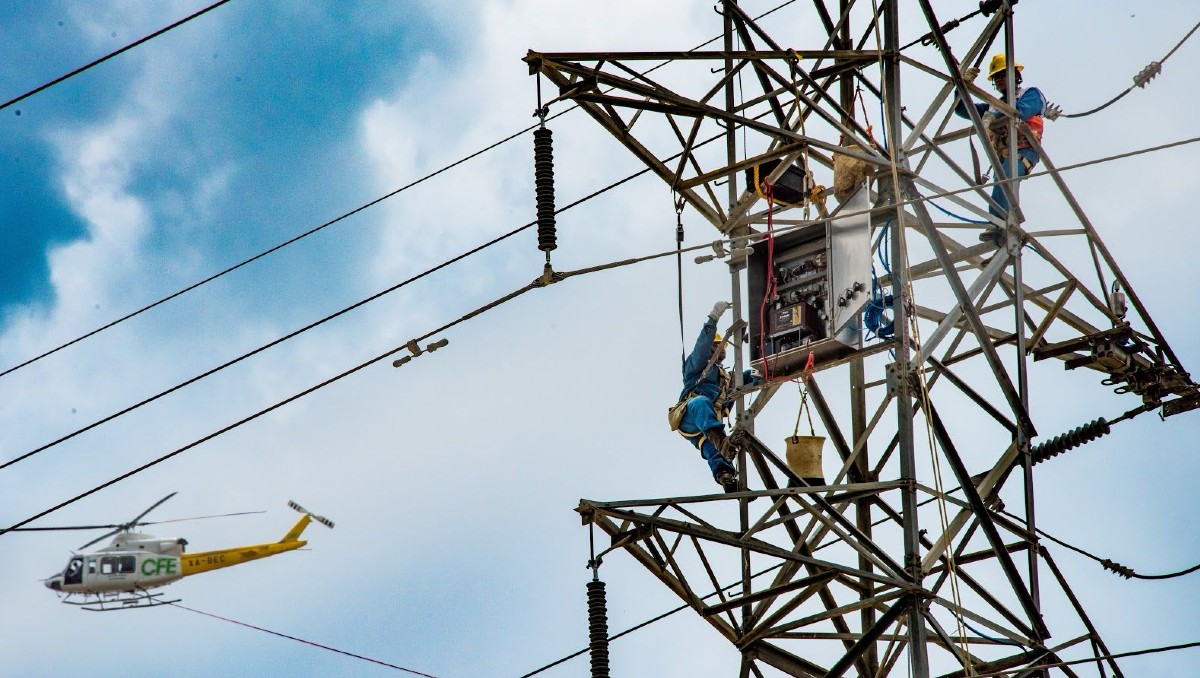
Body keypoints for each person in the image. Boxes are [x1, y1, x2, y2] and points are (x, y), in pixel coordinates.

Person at [956, 53, 1047, 233]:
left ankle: (1001, 224)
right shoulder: (993, 105)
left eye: (1001, 75)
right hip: (1005, 155)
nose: (998, 81)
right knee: (1002, 180)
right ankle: (1000, 227)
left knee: (1005, 178)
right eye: (995, 77)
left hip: (1024, 151)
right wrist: (961, 86)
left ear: (1014, 74)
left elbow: (1021, 111)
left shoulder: (1029, 94)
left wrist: (995, 116)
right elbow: (962, 109)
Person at [676, 301, 760, 492]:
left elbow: (747, 379)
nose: (723, 350)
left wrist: (763, 373)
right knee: (701, 402)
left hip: (706, 428)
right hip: (690, 415)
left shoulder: (726, 378)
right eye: (718, 346)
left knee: (714, 451)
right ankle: (721, 441)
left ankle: (727, 479)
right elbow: (701, 349)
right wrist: (713, 318)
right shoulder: (697, 368)